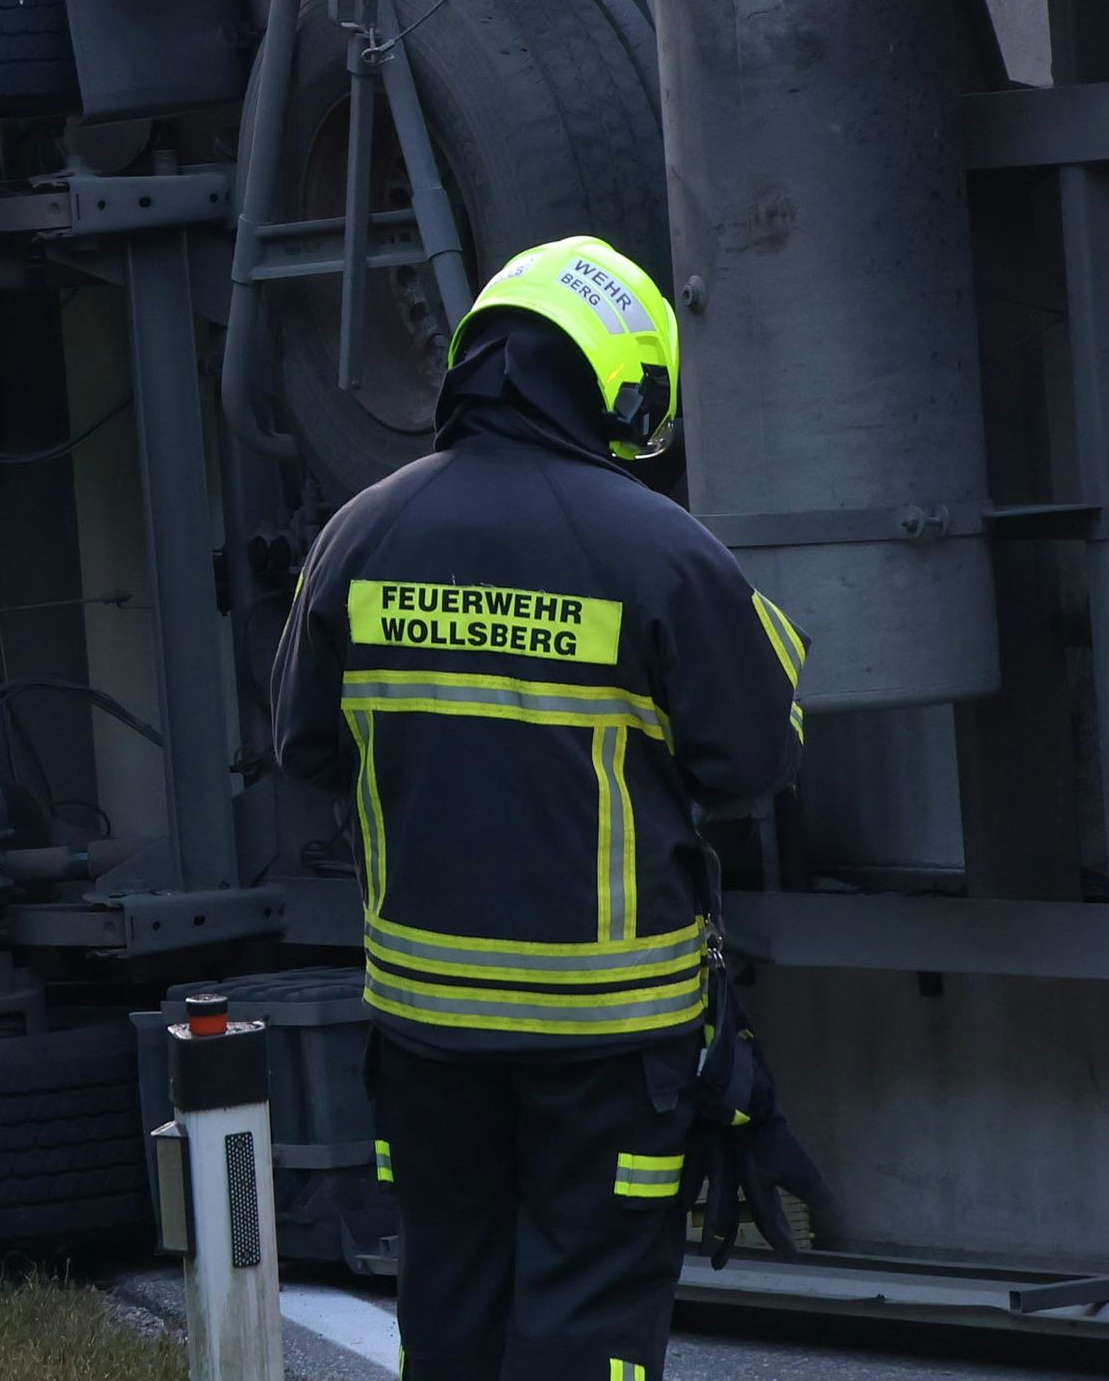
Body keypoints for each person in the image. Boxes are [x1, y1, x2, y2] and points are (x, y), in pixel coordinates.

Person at [269, 236, 809, 1381]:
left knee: (449, 1316)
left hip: (423, 1030)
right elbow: (753, 763)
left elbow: (303, 747)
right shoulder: (662, 551)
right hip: (607, 1041)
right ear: (621, 387)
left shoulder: (356, 534)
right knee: (585, 1326)